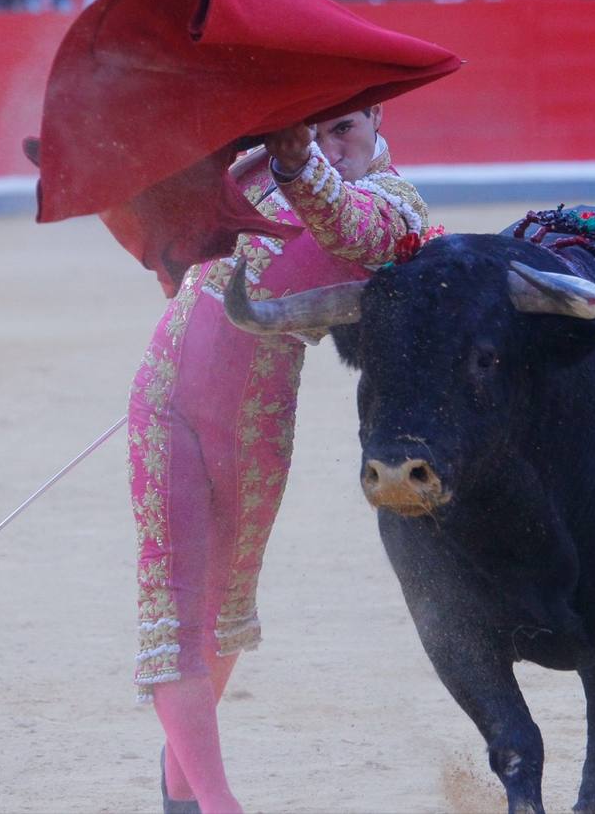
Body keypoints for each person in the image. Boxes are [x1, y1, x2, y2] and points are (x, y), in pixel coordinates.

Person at [128, 107, 429, 813]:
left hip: (257, 414)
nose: (328, 143)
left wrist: (299, 161)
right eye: (317, 128)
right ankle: (216, 803)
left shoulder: (398, 210)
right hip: (167, 391)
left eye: (344, 128)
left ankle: (180, 788)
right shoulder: (258, 161)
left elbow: (345, 228)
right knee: (171, 612)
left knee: (223, 606)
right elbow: (181, 230)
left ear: (379, 119)